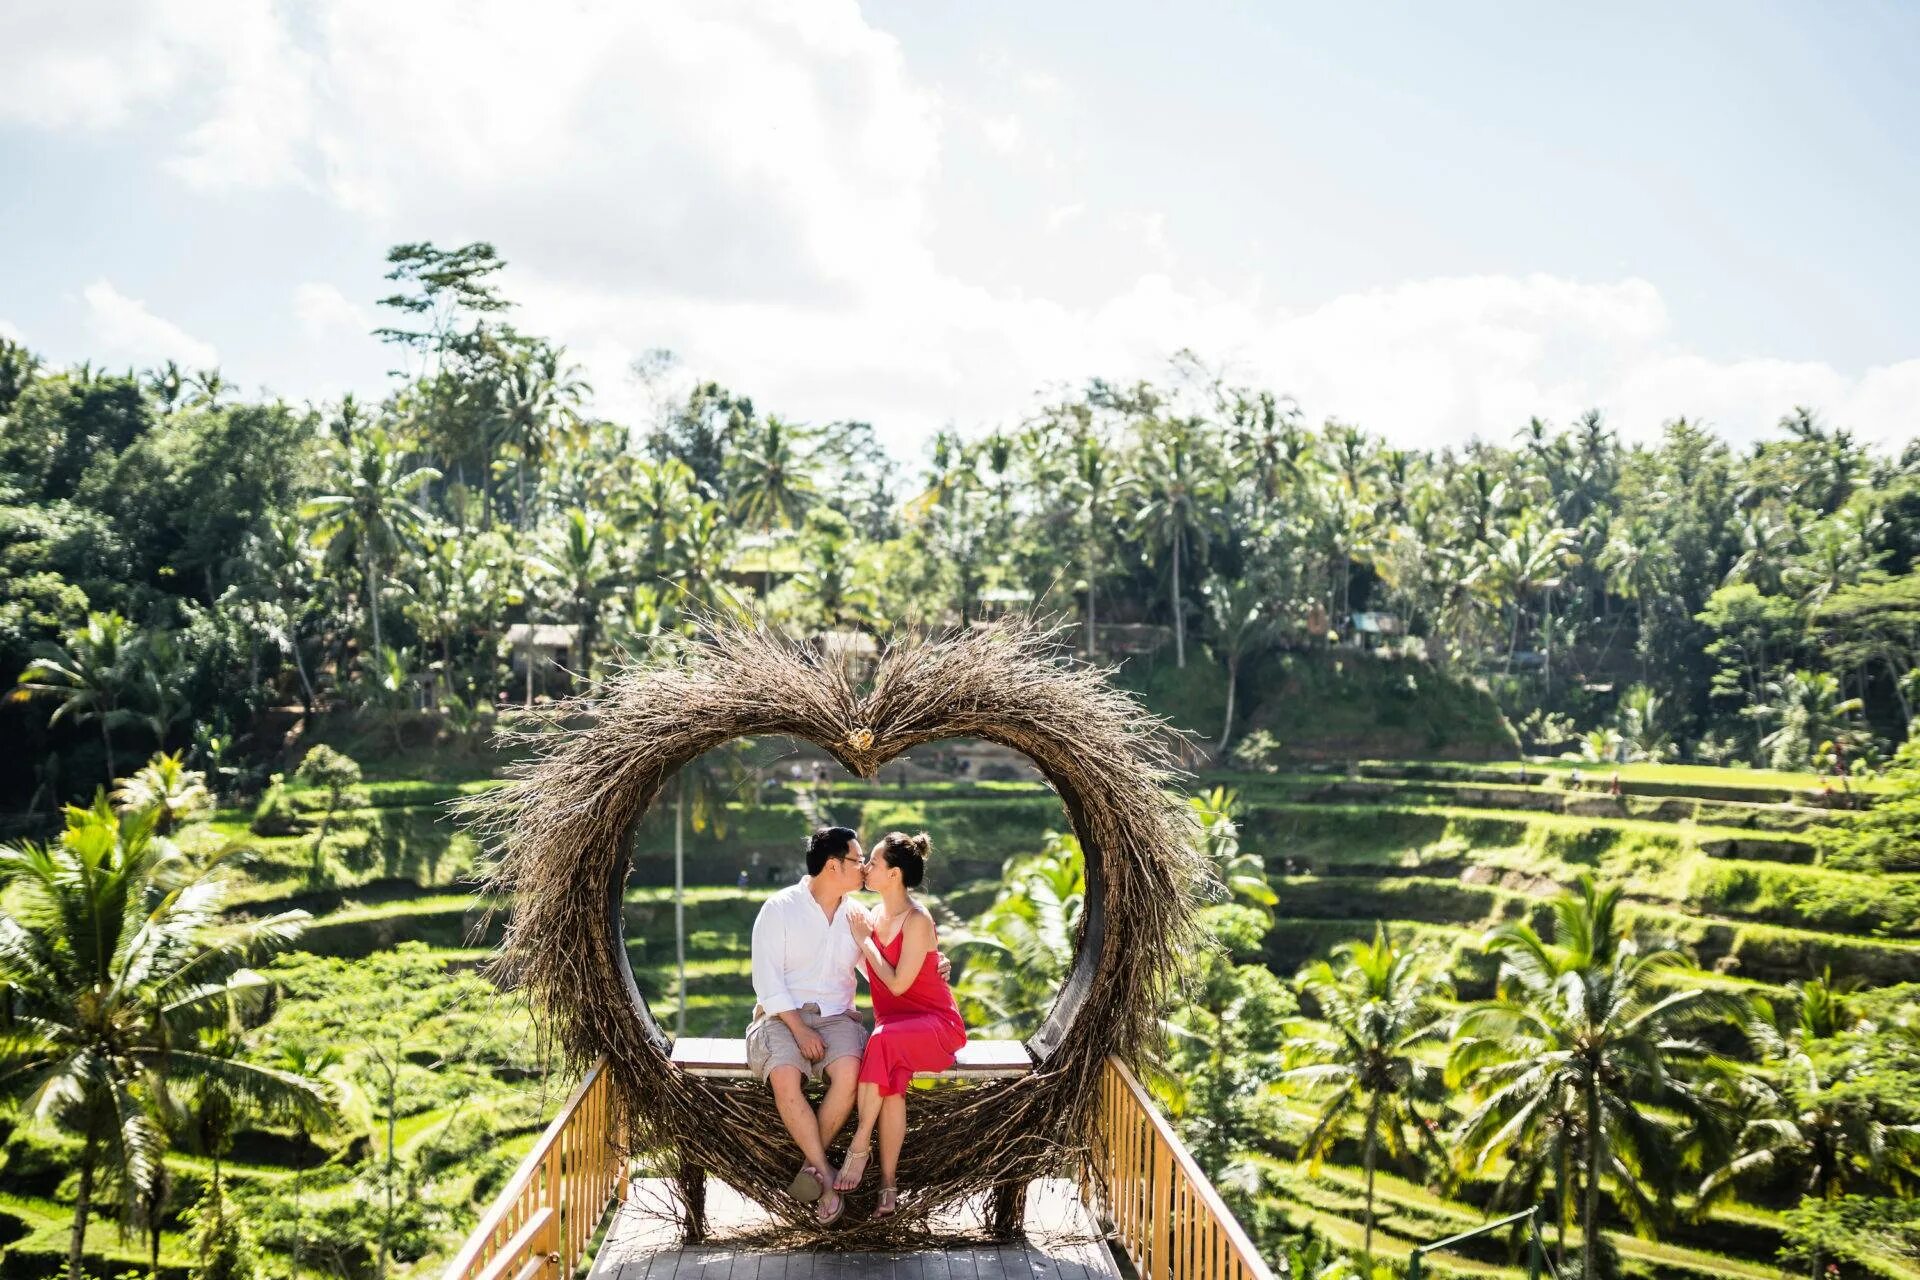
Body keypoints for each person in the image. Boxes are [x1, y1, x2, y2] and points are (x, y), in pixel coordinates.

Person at [746, 825, 948, 1225]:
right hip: (780, 1016)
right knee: (785, 1076)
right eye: (858, 861)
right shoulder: (780, 908)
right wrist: (800, 1030)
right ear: (833, 866)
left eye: (869, 862)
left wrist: (932, 964)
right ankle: (823, 1176)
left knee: (853, 1072)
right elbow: (766, 982)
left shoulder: (858, 915)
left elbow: (881, 967)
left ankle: (812, 1167)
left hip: (837, 1017)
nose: (863, 869)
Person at [833, 831, 967, 1220]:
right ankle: (888, 1187)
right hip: (895, 1029)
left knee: (881, 1042)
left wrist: (865, 940)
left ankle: (860, 1144)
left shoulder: (917, 919)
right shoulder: (871, 916)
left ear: (893, 874)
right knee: (891, 1092)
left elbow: (895, 983)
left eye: (873, 862)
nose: (866, 868)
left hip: (936, 1025)